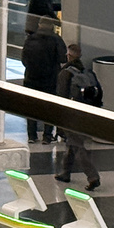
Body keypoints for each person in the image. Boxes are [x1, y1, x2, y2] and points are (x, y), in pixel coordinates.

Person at [54, 43, 100, 191]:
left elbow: (61, 97)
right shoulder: (88, 72)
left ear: (69, 56)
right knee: (72, 143)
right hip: (87, 113)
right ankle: (65, 172)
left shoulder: (66, 73)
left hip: (71, 116)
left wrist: (59, 119)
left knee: (77, 146)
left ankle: (93, 177)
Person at [23, 15, 66, 144]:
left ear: (39, 25)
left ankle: (32, 135)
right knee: (49, 108)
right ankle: (47, 136)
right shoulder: (56, 39)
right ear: (51, 26)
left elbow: (24, 60)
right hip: (50, 79)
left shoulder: (30, 39)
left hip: (31, 78)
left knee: (31, 107)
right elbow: (63, 58)